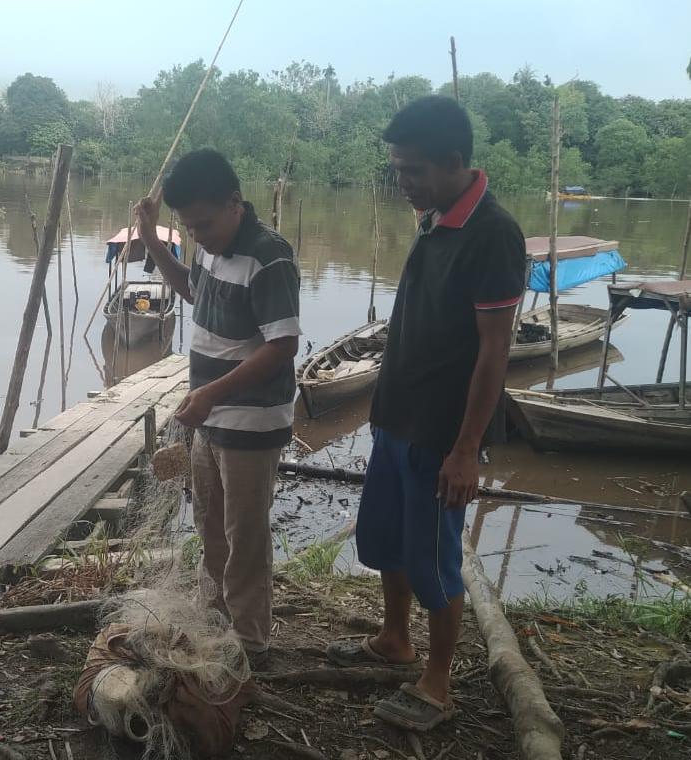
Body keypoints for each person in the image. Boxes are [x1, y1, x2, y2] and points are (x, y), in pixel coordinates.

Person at [325, 96, 526, 730]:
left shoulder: (493, 234)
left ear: (453, 161)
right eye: (397, 170)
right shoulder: (434, 218)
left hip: (441, 432)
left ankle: (436, 681)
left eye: (412, 171)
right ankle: (394, 638)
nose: (401, 182)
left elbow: (494, 352)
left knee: (433, 557)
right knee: (385, 539)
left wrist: (466, 449)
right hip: (395, 415)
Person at [135, 148, 301, 667]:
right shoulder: (210, 246)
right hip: (209, 415)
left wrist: (210, 394)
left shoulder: (267, 256)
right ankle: (215, 614)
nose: (198, 235)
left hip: (250, 418)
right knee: (209, 521)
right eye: (188, 227)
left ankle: (251, 641)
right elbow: (190, 289)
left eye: (203, 224)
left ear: (235, 203)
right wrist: (151, 239)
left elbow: (283, 347)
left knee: (244, 532)